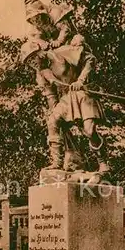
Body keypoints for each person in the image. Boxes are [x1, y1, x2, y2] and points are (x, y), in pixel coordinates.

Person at [20, 39, 110, 176]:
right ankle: (56, 161)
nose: (32, 63)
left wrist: (80, 80)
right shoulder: (42, 74)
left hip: (83, 93)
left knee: (89, 131)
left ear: (40, 53)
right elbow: (51, 96)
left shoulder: (60, 53)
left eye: (32, 58)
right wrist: (57, 116)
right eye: (29, 62)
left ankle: (103, 163)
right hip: (66, 99)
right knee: (52, 122)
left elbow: (90, 59)